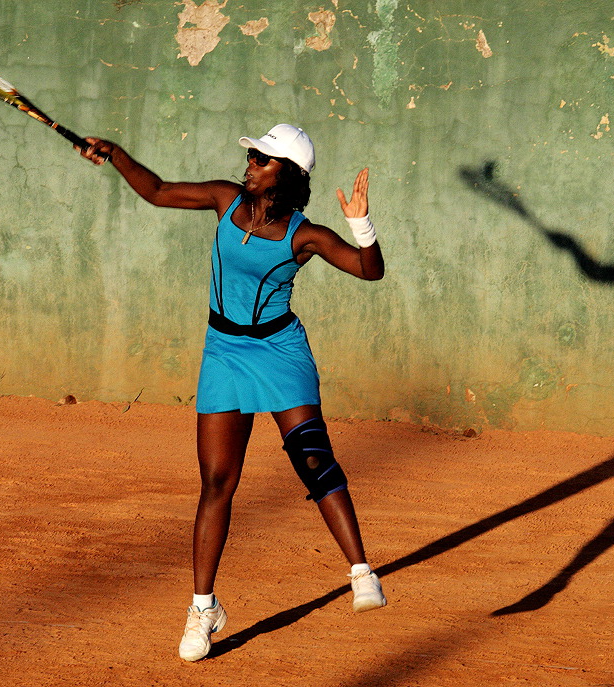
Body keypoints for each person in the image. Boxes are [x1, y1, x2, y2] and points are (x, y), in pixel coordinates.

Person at [78, 123, 387, 662]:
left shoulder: (304, 235)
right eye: (253, 155)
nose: (250, 163)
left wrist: (361, 224)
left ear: (286, 174)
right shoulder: (224, 200)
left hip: (280, 352)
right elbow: (158, 191)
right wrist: (118, 154)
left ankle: (362, 573)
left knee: (313, 459)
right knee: (217, 480)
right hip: (223, 351)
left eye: (262, 158)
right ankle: (204, 609)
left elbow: (369, 270)